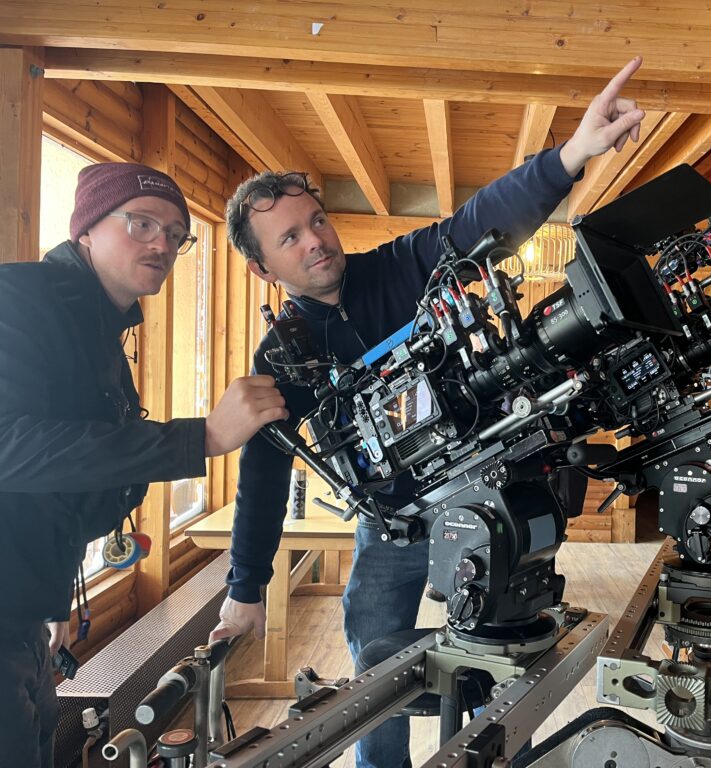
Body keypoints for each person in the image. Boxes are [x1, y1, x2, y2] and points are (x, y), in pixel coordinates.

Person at [212, 57, 647, 768]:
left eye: (316, 221)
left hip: (482, 497)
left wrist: (570, 156)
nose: (315, 239)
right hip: (392, 521)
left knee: (504, 659)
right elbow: (262, 472)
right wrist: (246, 586)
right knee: (374, 661)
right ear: (262, 269)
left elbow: (478, 223)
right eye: (289, 237)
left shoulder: (402, 267)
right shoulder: (283, 356)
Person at [0, 162, 289, 768]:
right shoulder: (16, 299)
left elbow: (54, 484)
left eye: (176, 234)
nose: (162, 243)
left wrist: (50, 596)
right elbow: (9, 447)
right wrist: (203, 438)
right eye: (142, 224)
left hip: (24, 610)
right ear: (86, 229)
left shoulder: (97, 328)